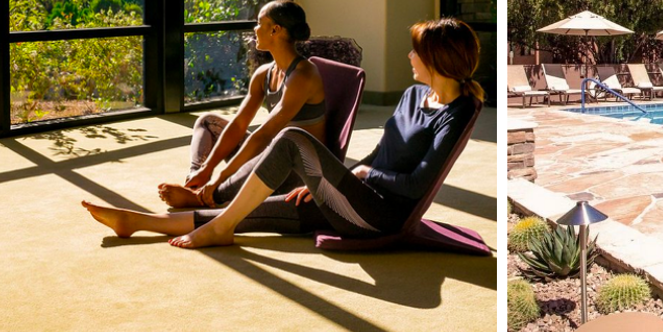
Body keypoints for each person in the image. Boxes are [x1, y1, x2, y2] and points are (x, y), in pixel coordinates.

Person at [82, 17, 484, 249]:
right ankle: (138, 222)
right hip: (354, 196)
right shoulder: (414, 95)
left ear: (437, 58)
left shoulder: (459, 110)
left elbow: (416, 186)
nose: (409, 56)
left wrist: (356, 177)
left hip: (377, 217)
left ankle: (216, 228)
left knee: (293, 138)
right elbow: (379, 155)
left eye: (416, 51)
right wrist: (330, 179)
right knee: (252, 213)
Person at [155, 0, 327, 210]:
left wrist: (221, 175)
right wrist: (207, 169)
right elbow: (238, 125)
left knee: (268, 150)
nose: (254, 29)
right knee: (207, 122)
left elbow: (263, 134)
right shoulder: (264, 73)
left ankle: (205, 197)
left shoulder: (303, 76)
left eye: (259, 22)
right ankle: (197, 181)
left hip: (297, 169)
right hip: (271, 153)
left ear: (275, 30)